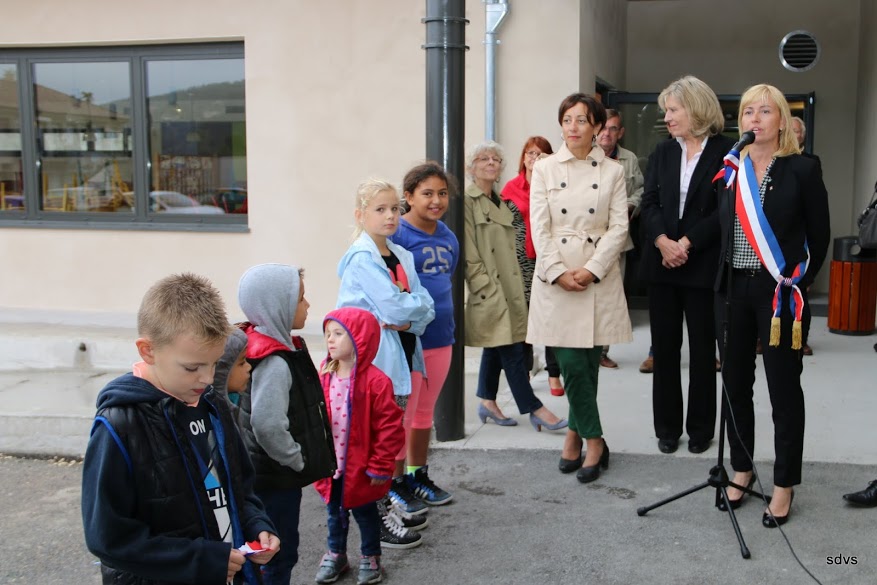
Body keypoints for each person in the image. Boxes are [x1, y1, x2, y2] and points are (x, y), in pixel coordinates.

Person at [81, 273, 280, 585]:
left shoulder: (212, 404)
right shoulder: (118, 426)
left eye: (214, 364)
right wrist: (200, 560)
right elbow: (107, 538)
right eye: (192, 368)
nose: (206, 378)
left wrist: (257, 523)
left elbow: (240, 485)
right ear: (148, 351)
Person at [715, 84, 830, 527]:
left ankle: (784, 485)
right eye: (747, 112)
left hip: (777, 294)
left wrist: (798, 281)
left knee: (783, 390)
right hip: (730, 292)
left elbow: (818, 237)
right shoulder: (732, 168)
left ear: (782, 120)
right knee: (735, 384)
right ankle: (742, 470)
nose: (755, 119)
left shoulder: (801, 169)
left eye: (765, 111)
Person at [526, 93, 632, 483]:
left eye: (582, 120)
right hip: (556, 278)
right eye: (567, 120)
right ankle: (595, 439)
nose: (573, 127)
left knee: (587, 364)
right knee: (570, 362)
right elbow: (540, 226)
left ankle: (574, 433)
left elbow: (619, 226)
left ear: (597, 127)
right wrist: (558, 270)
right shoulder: (545, 169)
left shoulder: (613, 172)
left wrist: (591, 268)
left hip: (596, 275)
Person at [336, 178, 435, 546]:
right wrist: (409, 310)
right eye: (381, 209)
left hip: (402, 355)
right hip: (376, 364)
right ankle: (375, 521)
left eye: (395, 208)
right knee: (375, 443)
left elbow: (426, 307)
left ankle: (381, 508)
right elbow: (394, 306)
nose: (391, 215)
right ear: (361, 215)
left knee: (389, 437)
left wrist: (409, 317)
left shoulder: (400, 254)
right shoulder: (363, 259)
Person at [639, 76, 735, 456]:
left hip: (701, 263)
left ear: (695, 109)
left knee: (701, 351)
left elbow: (723, 211)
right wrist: (663, 241)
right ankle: (667, 427)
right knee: (664, 349)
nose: (667, 117)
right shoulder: (663, 152)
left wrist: (687, 243)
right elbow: (649, 204)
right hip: (662, 263)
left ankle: (699, 429)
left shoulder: (728, 152)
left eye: (673, 109)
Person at [237, 263, 336, 585]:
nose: (307, 306)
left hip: (270, 476)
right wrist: (295, 459)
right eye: (301, 299)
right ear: (277, 306)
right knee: (277, 554)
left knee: (271, 553)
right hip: (274, 479)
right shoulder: (275, 362)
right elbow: (267, 424)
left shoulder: (273, 346)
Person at [463, 140, 567, 432]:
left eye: (495, 159)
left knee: (498, 345)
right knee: (510, 347)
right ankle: (535, 408)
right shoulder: (468, 203)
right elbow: (469, 252)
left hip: (514, 284)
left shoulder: (503, 201)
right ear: (471, 168)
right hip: (491, 289)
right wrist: (484, 287)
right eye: (483, 159)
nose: (491, 163)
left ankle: (486, 401)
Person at [314, 308, 406, 585]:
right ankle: (336, 553)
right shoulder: (324, 376)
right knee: (334, 514)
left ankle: (370, 555)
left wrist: (380, 465)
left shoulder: (377, 382)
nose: (330, 340)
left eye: (339, 334)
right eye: (328, 334)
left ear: (359, 339)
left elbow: (389, 429)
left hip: (362, 467)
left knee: (366, 515)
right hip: (333, 467)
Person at [393, 162, 458, 505]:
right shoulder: (397, 235)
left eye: (442, 193)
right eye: (427, 193)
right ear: (409, 197)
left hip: (441, 338)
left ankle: (418, 475)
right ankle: (397, 481)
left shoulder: (448, 237)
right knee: (403, 415)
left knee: (424, 414)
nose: (436, 201)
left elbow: (447, 280)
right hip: (410, 342)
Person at [501, 136, 565, 396]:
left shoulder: (554, 186)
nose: (534, 158)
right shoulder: (511, 187)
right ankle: (524, 373)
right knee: (524, 319)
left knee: (551, 316)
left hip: (547, 257)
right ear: (523, 157)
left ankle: (553, 374)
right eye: (530, 153)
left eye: (540, 153)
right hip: (520, 261)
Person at [595, 108, 645, 369]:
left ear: (620, 132)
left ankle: (602, 350)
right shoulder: (584, 155)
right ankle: (583, 349)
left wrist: (627, 206)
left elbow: (641, 190)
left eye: (613, 128)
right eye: (603, 128)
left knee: (611, 297)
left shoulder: (629, 159)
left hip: (617, 240)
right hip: (586, 238)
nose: (607, 133)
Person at [210, 326, 251, 418]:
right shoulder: (213, 416)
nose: (249, 367)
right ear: (221, 371)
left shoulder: (235, 401)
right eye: (242, 363)